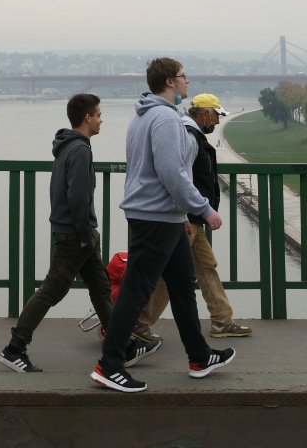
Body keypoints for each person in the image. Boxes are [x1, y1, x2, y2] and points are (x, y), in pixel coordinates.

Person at [91, 59, 234, 393]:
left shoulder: (142, 116)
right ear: (171, 82)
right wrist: (203, 209)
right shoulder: (166, 118)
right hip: (156, 216)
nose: (188, 82)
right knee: (137, 290)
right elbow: (172, 173)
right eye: (184, 77)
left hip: (163, 216)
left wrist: (183, 214)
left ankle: (199, 357)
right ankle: (108, 365)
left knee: (183, 286)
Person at [0, 93, 117, 373]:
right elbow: (76, 196)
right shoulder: (80, 150)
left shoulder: (68, 146)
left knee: (101, 289)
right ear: (87, 118)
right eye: (99, 115)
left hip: (78, 233)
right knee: (51, 291)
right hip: (76, 236)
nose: (102, 120)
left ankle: (121, 343)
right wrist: (84, 234)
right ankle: (14, 349)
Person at [134, 93, 252, 342]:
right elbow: (178, 176)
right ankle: (138, 323)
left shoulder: (192, 134)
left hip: (195, 218)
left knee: (206, 267)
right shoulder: (189, 135)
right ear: (206, 113)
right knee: (169, 275)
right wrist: (187, 212)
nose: (218, 122)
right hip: (188, 219)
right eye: (217, 115)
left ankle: (222, 320)